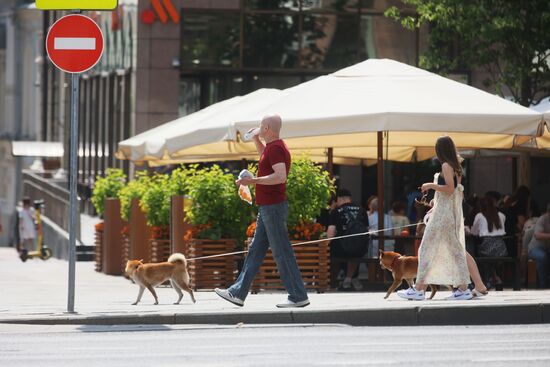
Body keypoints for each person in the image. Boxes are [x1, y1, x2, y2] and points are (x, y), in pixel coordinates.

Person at [215, 115, 310, 308]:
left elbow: (280, 176)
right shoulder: (273, 148)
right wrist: (256, 140)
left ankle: (298, 296)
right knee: (256, 251)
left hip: (273, 207)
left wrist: (252, 181)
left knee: (281, 252)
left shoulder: (276, 148)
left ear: (266, 127)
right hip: (269, 207)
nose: (258, 128)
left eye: (260, 127)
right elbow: (266, 158)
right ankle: (238, 293)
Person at [398, 136, 473, 300]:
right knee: (453, 250)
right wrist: (436, 199)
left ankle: (419, 289)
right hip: (448, 212)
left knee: (426, 248)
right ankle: (462, 288)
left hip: (443, 215)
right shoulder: (456, 166)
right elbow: (455, 192)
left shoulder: (446, 165)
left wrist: (430, 186)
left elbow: (450, 189)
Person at [327, 188, 370, 291]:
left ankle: (336, 280)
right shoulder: (361, 209)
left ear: (339, 199)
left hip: (342, 247)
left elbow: (331, 232)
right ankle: (350, 278)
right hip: (360, 247)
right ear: (349, 198)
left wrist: (326, 244)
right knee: (355, 251)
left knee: (333, 251)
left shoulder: (336, 211)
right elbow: (367, 230)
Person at [469, 197, 508, 290]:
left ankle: (488, 281)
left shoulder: (479, 216)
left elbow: (473, 232)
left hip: (487, 245)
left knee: (481, 256)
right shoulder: (501, 215)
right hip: (501, 247)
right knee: (491, 260)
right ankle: (495, 278)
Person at [527, 203, 550, 288]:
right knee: (542, 257)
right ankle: (543, 285)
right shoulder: (543, 219)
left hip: (548, 249)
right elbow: (538, 235)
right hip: (536, 248)